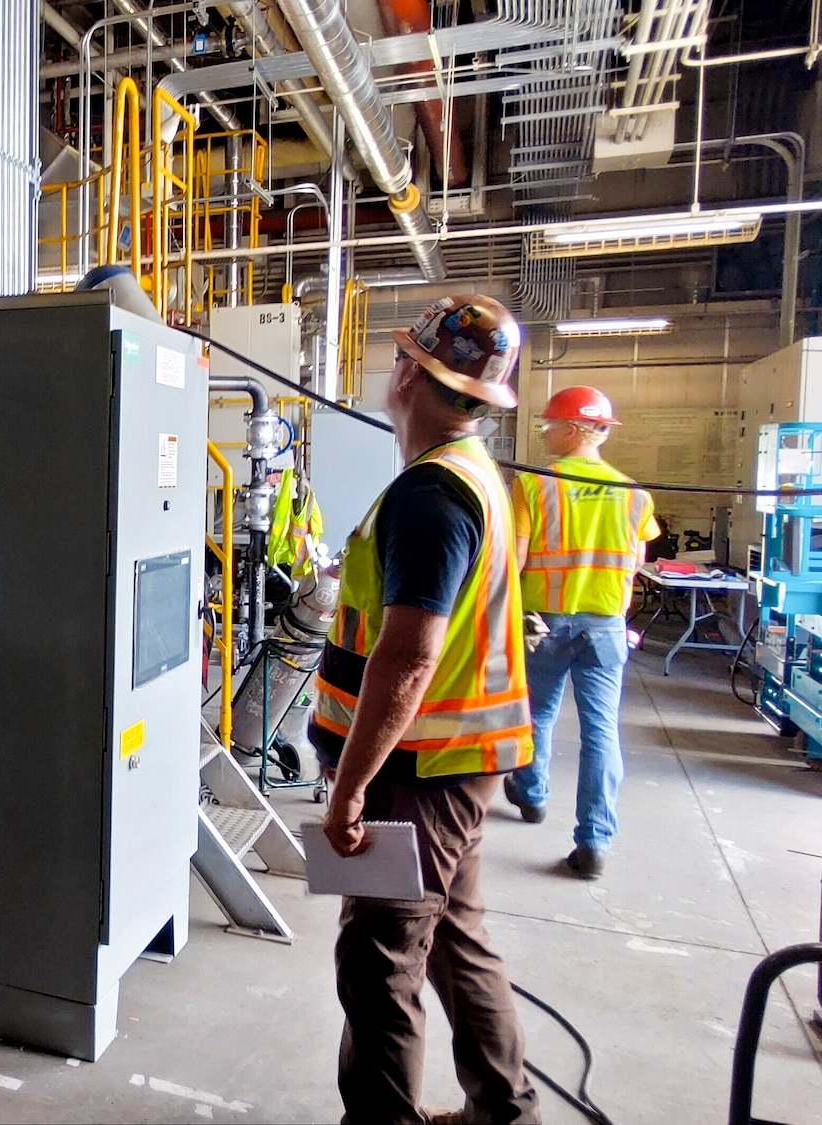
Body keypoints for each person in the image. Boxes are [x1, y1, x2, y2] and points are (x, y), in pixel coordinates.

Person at [310, 295, 541, 1124]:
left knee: (378, 959)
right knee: (456, 940)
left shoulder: (431, 495)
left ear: (411, 372)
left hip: (419, 775)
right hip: (460, 766)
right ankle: (504, 1111)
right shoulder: (474, 476)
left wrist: (348, 790)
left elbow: (408, 658)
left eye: (401, 355)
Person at [503, 386, 659, 880]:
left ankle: (531, 796)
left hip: (543, 623)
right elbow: (638, 559)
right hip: (606, 626)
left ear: (573, 430)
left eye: (549, 425)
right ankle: (593, 841)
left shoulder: (534, 484)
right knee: (601, 732)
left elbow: (517, 557)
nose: (545, 433)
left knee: (538, 714)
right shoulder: (634, 493)